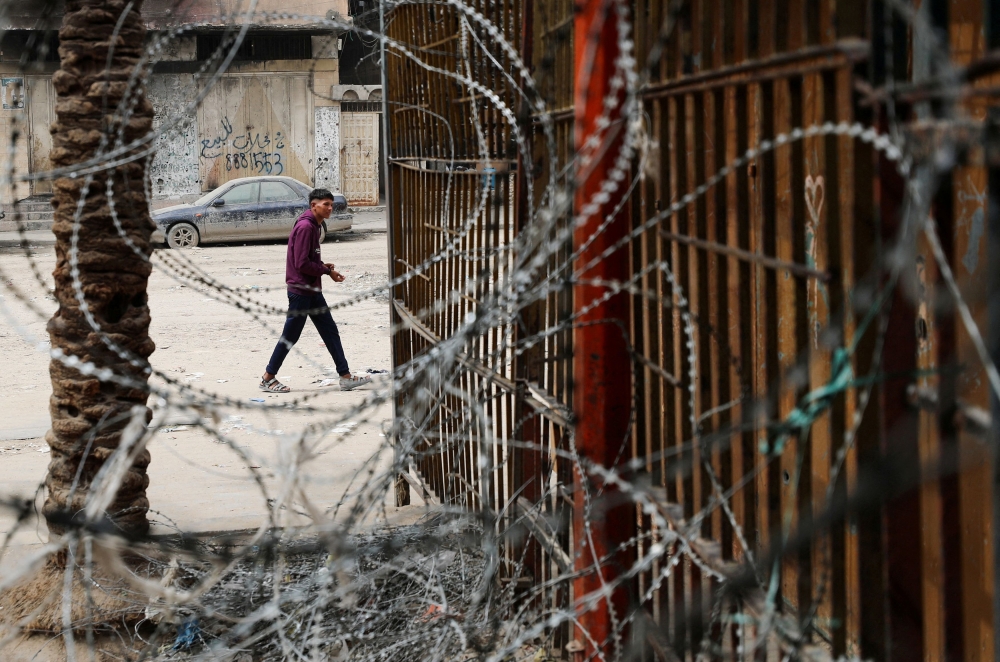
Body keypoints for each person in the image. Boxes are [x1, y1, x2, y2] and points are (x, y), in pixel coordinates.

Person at [259, 188, 372, 393]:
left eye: (331, 204)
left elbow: (309, 258)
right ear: (314, 206)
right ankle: (268, 378)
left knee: (330, 332)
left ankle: (345, 376)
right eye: (325, 204)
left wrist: (325, 269)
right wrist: (324, 270)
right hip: (301, 292)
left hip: (311, 291)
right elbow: (301, 263)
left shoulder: (315, 225)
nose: (330, 208)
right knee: (290, 336)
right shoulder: (306, 227)